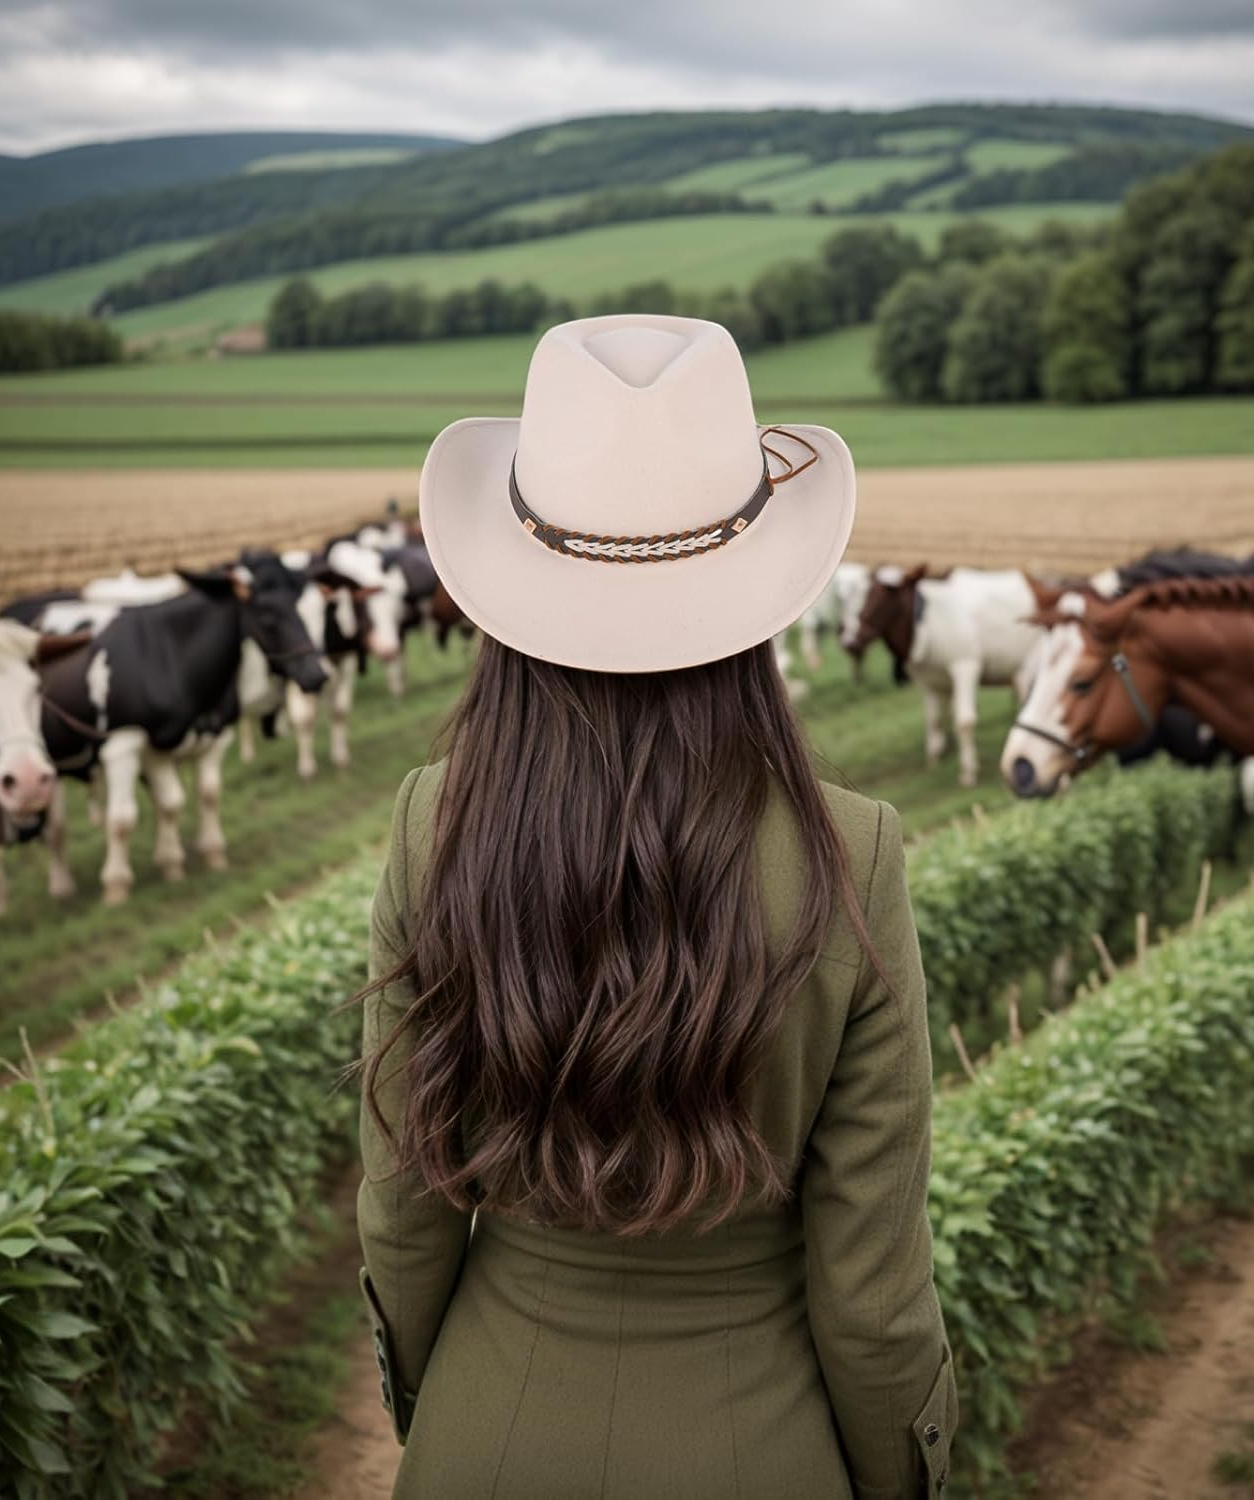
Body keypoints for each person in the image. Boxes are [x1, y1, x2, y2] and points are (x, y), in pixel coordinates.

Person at [354, 314, 956, 1499]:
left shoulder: (435, 823)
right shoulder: (854, 853)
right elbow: (874, 1293)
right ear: (758, 590)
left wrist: (444, 1408)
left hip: (486, 1429)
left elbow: (404, 1215)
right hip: (760, 1445)